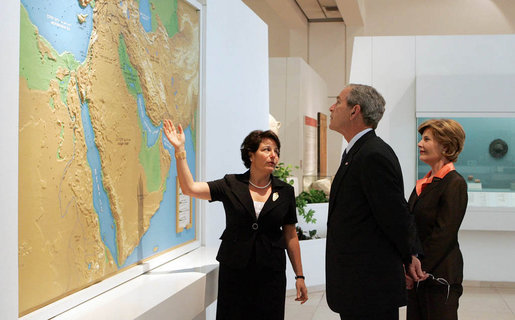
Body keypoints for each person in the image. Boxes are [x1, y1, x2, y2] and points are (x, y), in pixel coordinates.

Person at [162, 119, 308, 320]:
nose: (273, 155)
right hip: (235, 271)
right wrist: (180, 150)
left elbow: (290, 235)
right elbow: (190, 188)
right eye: (266, 149)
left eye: (276, 151)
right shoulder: (231, 184)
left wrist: (299, 276)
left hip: (271, 273)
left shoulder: (285, 191)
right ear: (251, 154)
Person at [325, 84, 425, 320]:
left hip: (369, 287)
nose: (331, 107)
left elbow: (394, 214)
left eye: (338, 102)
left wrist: (409, 254)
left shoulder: (372, 155)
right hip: (358, 285)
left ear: (354, 111)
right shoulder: (357, 152)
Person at [406, 119, 467, 320]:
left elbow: (444, 234)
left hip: (438, 275)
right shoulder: (425, 182)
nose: (419, 144)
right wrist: (409, 263)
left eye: (426, 139)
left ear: (446, 146)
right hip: (418, 274)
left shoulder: (454, 183)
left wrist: (418, 268)